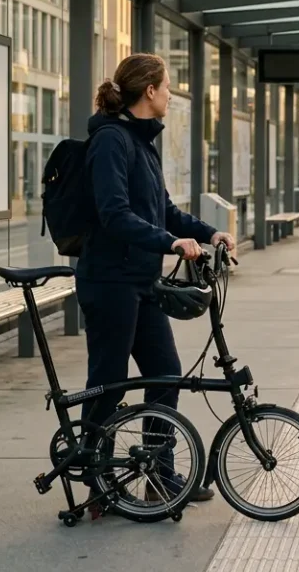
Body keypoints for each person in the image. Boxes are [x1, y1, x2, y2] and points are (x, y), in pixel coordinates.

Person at [77, 53, 235, 506]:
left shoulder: (142, 143)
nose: (169, 94)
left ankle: (159, 478)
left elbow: (163, 210)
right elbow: (114, 214)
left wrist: (208, 233)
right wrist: (170, 243)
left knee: (165, 375)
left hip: (142, 282)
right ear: (149, 91)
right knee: (108, 382)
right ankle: (96, 480)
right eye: (166, 87)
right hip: (110, 283)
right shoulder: (111, 140)